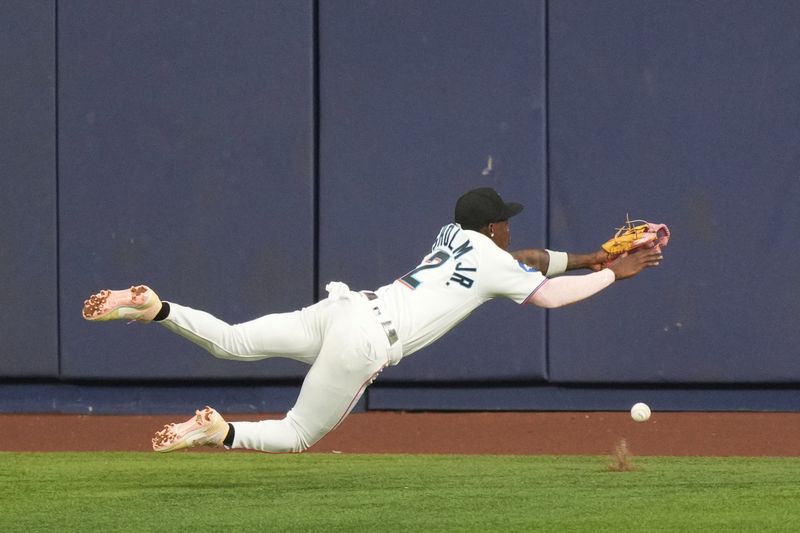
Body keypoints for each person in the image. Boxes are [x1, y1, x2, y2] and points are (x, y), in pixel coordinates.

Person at [82, 187, 663, 453]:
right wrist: (616, 273)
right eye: (505, 221)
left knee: (232, 341)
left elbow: (525, 259)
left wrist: (589, 256)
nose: (510, 229)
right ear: (493, 229)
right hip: (367, 340)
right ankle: (220, 431)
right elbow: (549, 295)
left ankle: (155, 306)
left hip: (345, 307)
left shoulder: (454, 237)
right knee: (298, 433)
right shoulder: (492, 259)